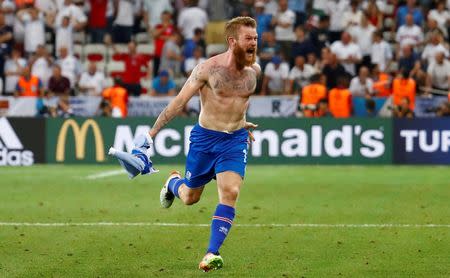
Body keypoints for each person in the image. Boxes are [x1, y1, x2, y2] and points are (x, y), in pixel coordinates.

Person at [148, 16, 260, 272]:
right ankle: (173, 183)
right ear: (232, 42)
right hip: (205, 140)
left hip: (234, 141)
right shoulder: (206, 70)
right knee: (190, 197)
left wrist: (242, 123)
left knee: (230, 192)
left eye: (255, 38)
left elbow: (238, 102)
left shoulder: (255, 72)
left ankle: (212, 253)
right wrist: (151, 134)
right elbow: (178, 103)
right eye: (248, 38)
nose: (254, 43)